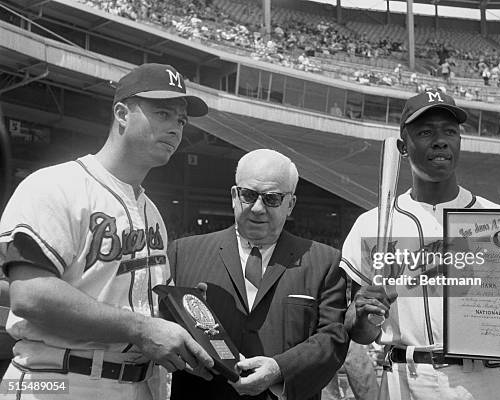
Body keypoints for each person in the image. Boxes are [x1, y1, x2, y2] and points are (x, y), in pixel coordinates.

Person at [340, 90, 500, 400]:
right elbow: (359, 332)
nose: (440, 141)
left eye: (450, 131)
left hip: (488, 379)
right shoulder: (372, 224)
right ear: (402, 146)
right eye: (426, 132)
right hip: (404, 376)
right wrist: (362, 316)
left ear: (459, 142)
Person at [0, 63, 214, 399]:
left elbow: (142, 306)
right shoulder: (54, 186)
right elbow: (30, 295)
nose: (176, 128)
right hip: (58, 379)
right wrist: (141, 328)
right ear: (122, 113)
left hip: (144, 383)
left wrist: (189, 315)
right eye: (163, 112)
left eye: (181, 120)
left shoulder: (153, 213)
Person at [168, 149, 349, 400]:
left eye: (272, 198)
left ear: (290, 204)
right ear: (234, 196)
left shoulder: (324, 261)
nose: (257, 208)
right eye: (248, 195)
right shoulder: (183, 253)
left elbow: (333, 339)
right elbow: (163, 328)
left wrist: (278, 370)